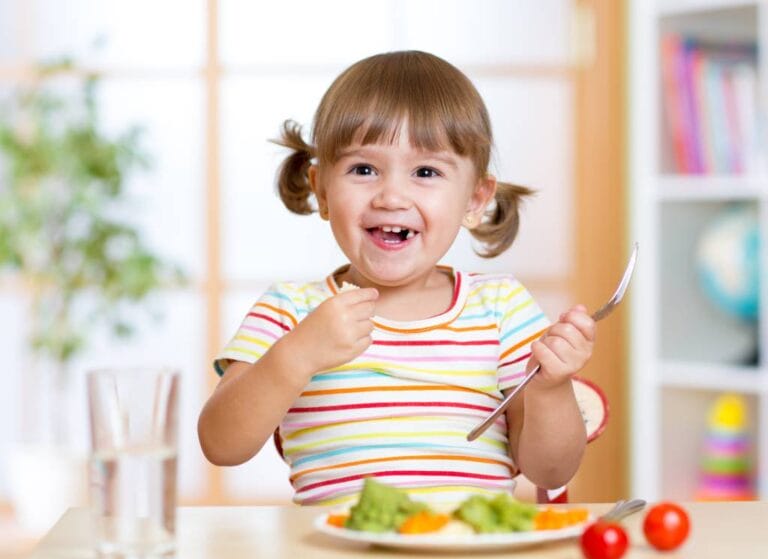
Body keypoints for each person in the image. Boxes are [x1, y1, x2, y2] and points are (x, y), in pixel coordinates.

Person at [198, 50, 595, 507]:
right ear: (322, 188)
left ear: (475, 198)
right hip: (339, 557)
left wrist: (549, 388)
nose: (391, 196)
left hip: (467, 553)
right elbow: (220, 445)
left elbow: (551, 470)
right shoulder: (290, 310)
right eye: (363, 169)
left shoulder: (502, 307)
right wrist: (296, 355)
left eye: (426, 172)